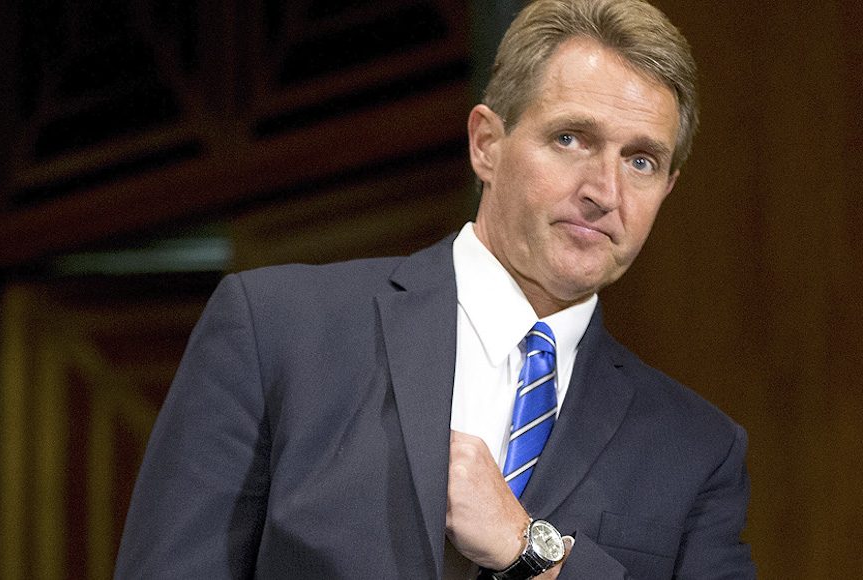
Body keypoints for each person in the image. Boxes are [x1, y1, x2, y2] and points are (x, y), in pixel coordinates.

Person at [115, 0, 755, 578]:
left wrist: (529, 549)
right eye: (570, 139)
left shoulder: (696, 450)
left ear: (668, 186)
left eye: (640, 160)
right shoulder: (277, 329)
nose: (603, 192)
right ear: (487, 144)